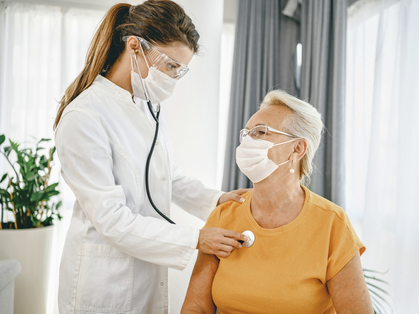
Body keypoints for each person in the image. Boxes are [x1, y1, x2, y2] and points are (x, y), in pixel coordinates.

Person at [54, 1, 248, 313]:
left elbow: (166, 176)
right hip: (105, 283)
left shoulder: (146, 105)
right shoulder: (84, 116)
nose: (173, 78)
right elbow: (112, 219)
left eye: (179, 71)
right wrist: (197, 238)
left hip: (144, 271)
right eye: (171, 66)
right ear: (135, 46)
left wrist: (217, 199)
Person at [181, 89, 374, 314]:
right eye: (247, 134)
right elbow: (196, 308)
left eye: (261, 132)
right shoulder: (224, 215)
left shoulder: (332, 223)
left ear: (297, 148)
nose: (248, 142)